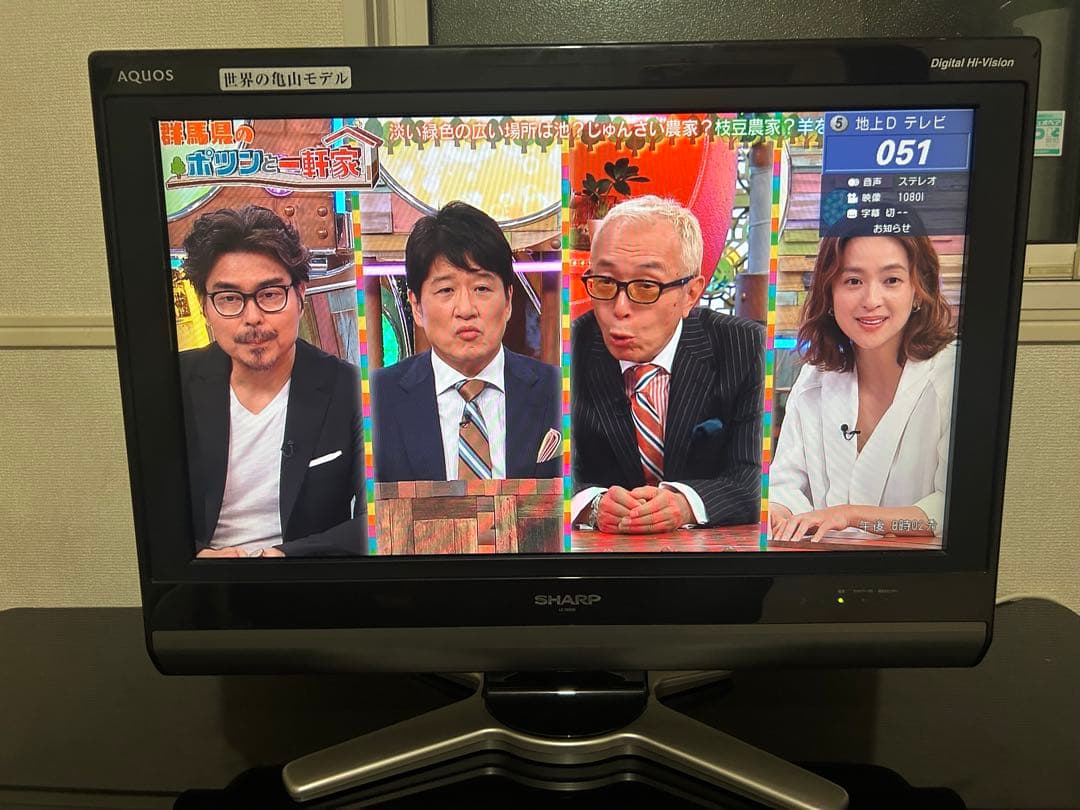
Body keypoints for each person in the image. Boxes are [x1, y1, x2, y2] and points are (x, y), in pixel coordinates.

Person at [571, 195, 764, 534]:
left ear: (691, 294)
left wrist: (686, 504)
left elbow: (756, 478)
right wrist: (592, 505)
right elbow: (542, 473)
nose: (620, 308)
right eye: (605, 283)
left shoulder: (746, 348)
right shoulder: (569, 351)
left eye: (645, 287)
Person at [179, 206, 362, 558]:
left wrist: (285, 556)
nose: (252, 318)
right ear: (204, 306)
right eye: (229, 298)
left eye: (270, 294)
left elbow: (380, 518)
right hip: (197, 580)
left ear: (301, 294)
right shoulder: (174, 384)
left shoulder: (350, 390)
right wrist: (197, 555)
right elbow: (146, 509)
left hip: (307, 579)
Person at [769, 230, 956, 543]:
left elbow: (947, 512)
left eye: (891, 280)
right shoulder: (815, 377)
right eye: (853, 281)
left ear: (918, 290)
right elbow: (785, 484)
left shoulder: (951, 375)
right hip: (820, 565)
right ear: (829, 294)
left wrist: (852, 516)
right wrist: (777, 509)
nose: (871, 301)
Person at [371, 202, 561, 483]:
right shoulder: (376, 401)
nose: (466, 309)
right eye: (446, 290)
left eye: (481, 288)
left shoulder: (559, 391)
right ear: (417, 306)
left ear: (508, 301)